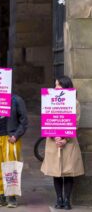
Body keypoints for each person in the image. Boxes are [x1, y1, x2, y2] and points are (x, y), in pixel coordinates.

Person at [41, 76, 84, 210]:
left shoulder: (75, 103)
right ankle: (59, 198)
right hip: (54, 142)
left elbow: (75, 124)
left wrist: (65, 139)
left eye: (58, 85)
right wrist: (55, 136)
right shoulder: (49, 101)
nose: (55, 88)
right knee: (56, 172)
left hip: (68, 143)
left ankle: (67, 200)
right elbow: (47, 121)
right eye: (55, 85)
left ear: (65, 87)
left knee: (68, 172)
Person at [0, 94, 28, 208]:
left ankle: (12, 196)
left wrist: (16, 135)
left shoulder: (16, 100)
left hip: (11, 138)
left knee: (11, 168)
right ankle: (0, 195)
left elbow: (24, 121)